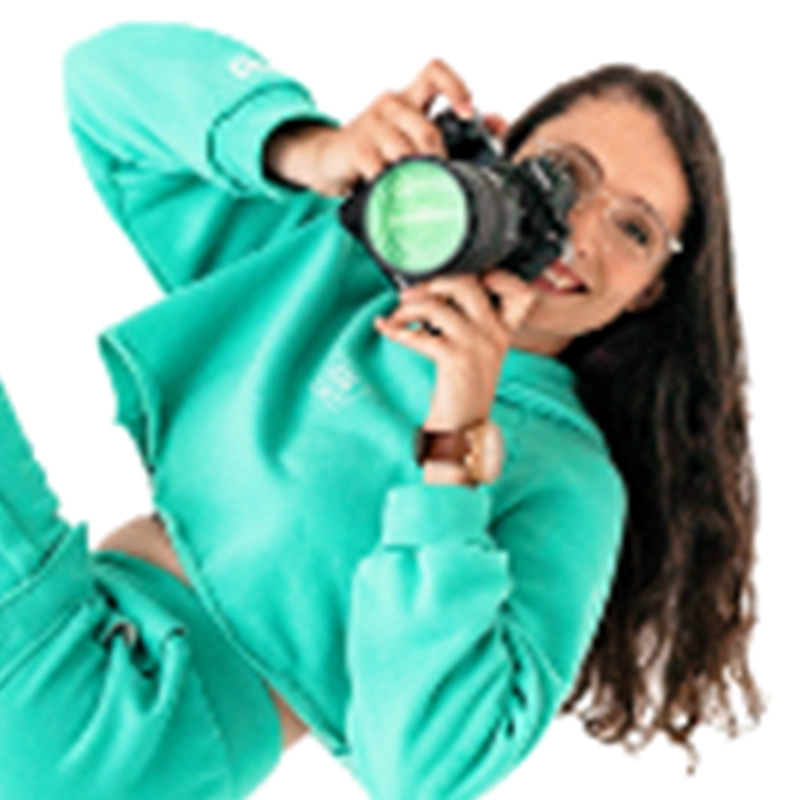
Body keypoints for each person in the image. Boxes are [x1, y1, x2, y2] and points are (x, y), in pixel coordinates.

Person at [0, 19, 764, 800]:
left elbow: (428, 767)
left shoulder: (568, 479)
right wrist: (306, 148)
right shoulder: (345, 257)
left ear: (650, 290)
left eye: (634, 228)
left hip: (121, 730)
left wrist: (458, 433)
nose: (577, 230)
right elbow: (102, 80)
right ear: (503, 153)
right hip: (68, 611)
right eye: (565, 177)